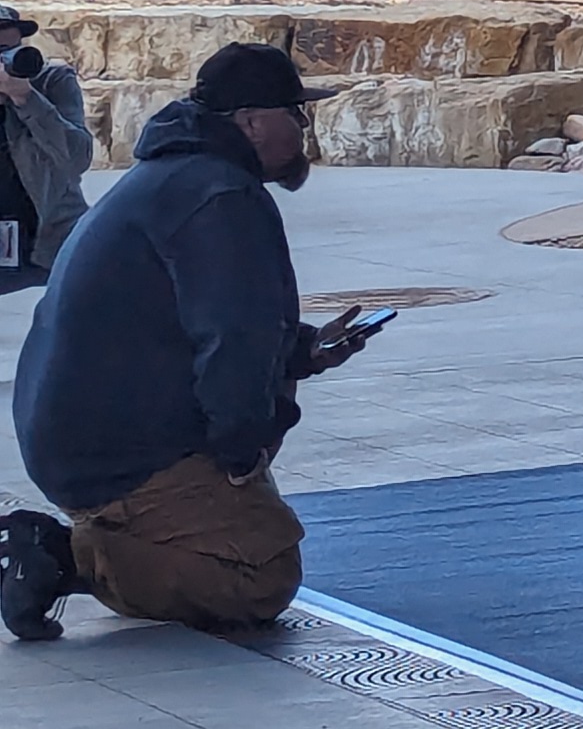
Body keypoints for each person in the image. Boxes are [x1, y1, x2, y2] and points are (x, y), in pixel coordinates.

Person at [1, 44, 382, 641]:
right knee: (259, 574)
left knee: (252, 514)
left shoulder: (174, 176)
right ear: (251, 122)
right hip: (118, 453)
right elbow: (232, 343)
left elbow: (196, 320)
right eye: (295, 112)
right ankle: (61, 556)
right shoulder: (221, 196)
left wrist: (301, 351)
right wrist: (239, 455)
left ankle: (108, 534)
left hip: (75, 435)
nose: (304, 127)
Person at [0, 2, 97, 291]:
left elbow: (78, 158)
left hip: (50, 242)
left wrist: (26, 99)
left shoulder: (51, 81)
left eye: (9, 50)